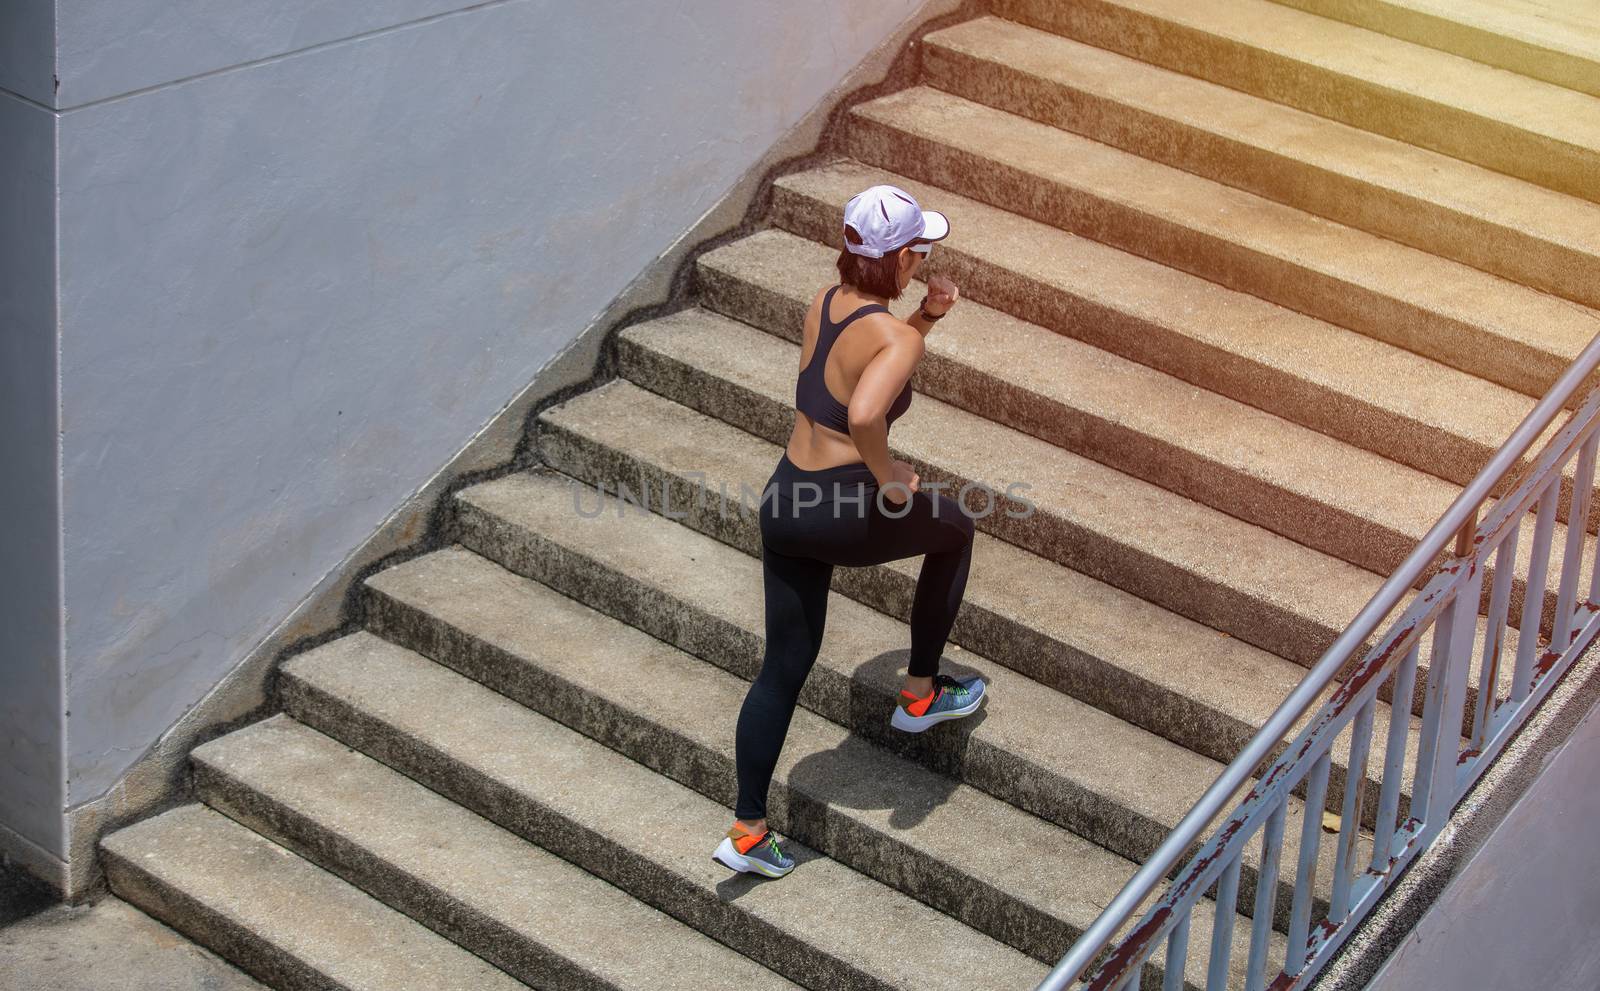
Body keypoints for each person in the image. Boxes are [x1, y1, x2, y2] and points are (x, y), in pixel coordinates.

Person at [711, 184, 986, 880]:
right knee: (955, 529)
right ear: (896, 259)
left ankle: (747, 831)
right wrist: (891, 478)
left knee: (783, 666)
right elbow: (867, 411)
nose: (923, 263)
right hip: (838, 507)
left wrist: (926, 316)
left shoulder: (825, 305)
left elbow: (863, 368)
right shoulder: (891, 336)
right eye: (919, 254)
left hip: (786, 499)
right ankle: (921, 692)